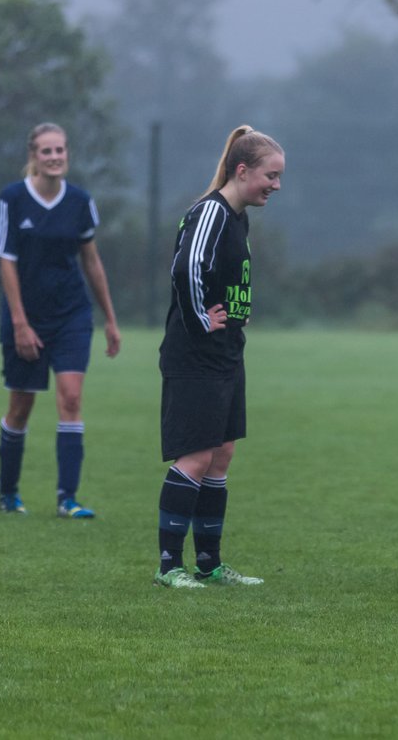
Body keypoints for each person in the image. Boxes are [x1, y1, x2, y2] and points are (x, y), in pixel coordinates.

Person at [153, 125, 283, 589]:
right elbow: (186, 267)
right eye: (271, 175)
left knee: (221, 455)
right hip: (196, 355)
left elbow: (223, 274)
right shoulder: (210, 211)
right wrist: (199, 320)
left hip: (227, 354)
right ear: (242, 170)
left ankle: (209, 565)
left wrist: (238, 312)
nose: (276, 185)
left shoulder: (238, 216)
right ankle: (170, 567)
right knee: (195, 457)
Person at [0, 123, 121, 516]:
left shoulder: (80, 201)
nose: (54, 157)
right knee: (20, 407)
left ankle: (68, 499)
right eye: (46, 151)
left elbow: (92, 261)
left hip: (71, 314)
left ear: (67, 154)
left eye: (60, 150)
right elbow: (6, 263)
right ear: (33, 155)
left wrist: (110, 319)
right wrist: (20, 323)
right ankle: (8, 493)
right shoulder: (11, 199)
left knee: (71, 397)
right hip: (25, 317)